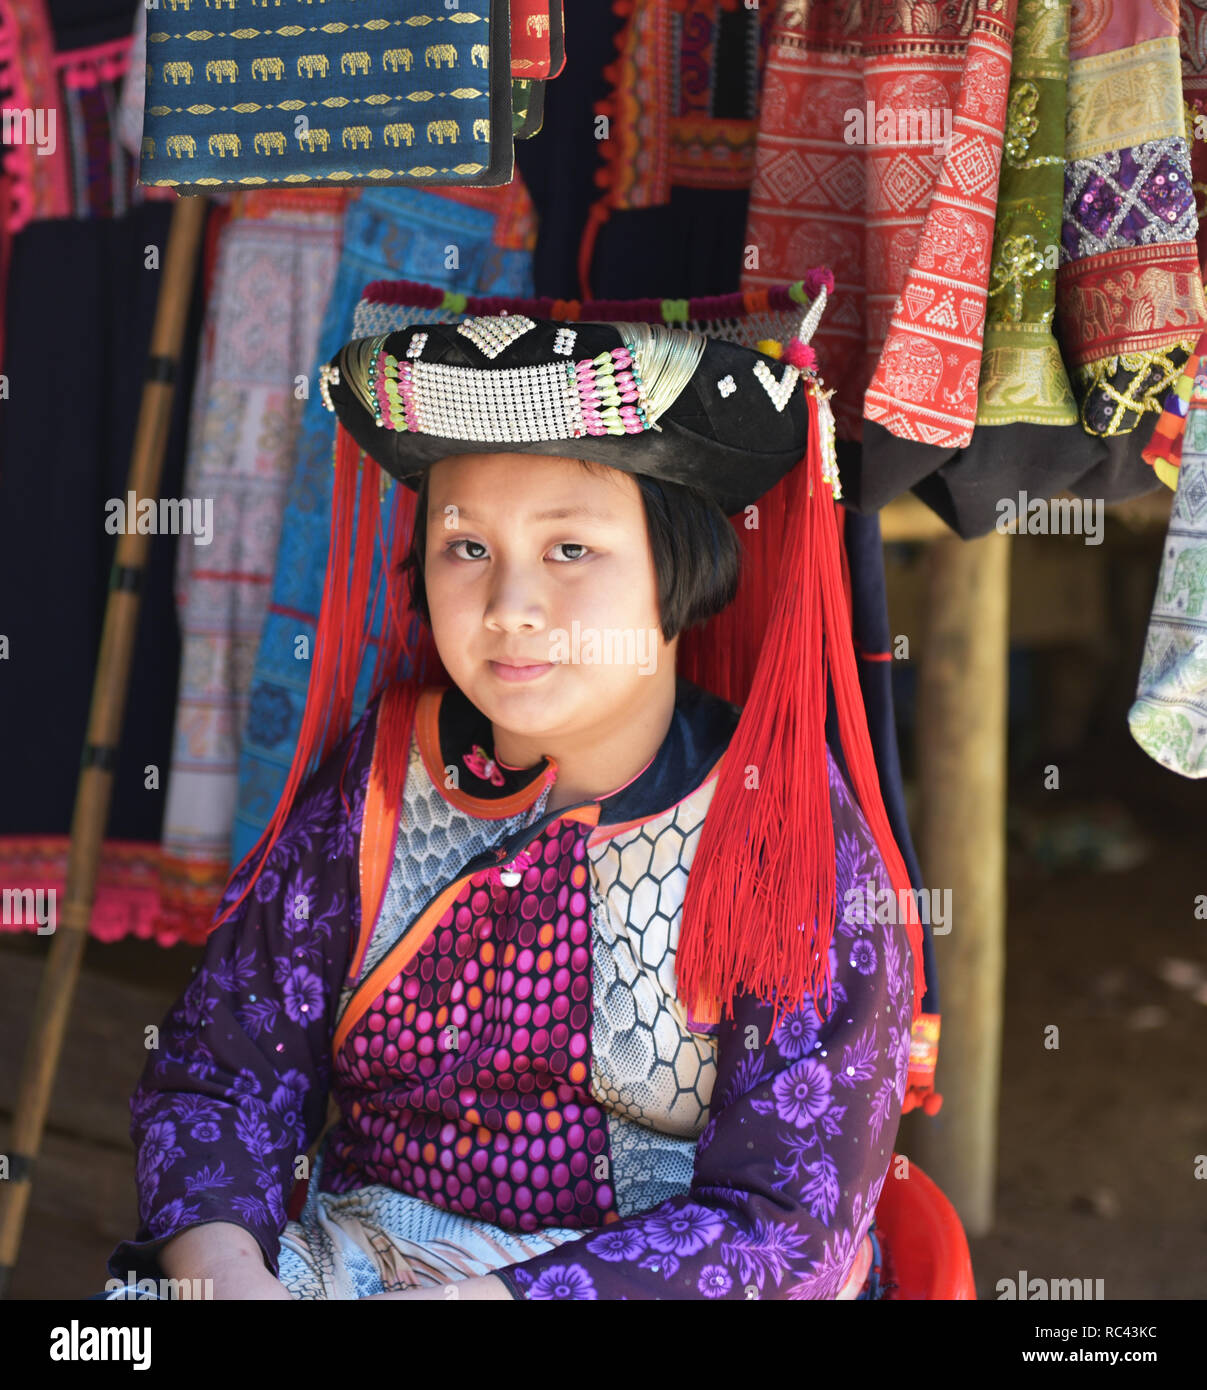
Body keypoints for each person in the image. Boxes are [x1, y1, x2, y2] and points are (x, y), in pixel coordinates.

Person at [106, 299, 925, 1299]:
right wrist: (224, 1267)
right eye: (466, 547)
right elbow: (220, 1073)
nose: (508, 608)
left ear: (682, 566)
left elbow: (789, 1227)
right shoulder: (380, 781)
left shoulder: (781, 824)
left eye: (569, 549)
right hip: (366, 1255)